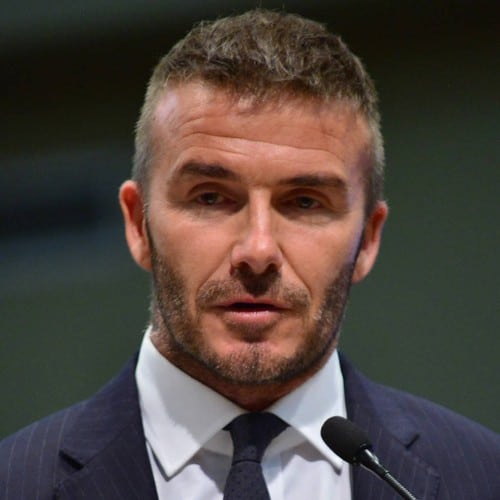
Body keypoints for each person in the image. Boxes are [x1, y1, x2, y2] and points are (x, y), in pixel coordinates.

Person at [1, 9, 498, 500]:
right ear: (137, 224)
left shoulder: (482, 477)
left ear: (368, 239)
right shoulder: (16, 483)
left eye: (305, 202)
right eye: (210, 198)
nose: (257, 251)